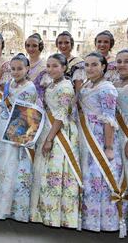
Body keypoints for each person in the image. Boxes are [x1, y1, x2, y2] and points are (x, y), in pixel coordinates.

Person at [30, 53, 81, 229]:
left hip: (59, 133)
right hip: (48, 128)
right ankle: (43, 213)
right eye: (49, 66)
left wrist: (49, 139)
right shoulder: (52, 84)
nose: (51, 69)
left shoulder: (66, 87)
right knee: (44, 173)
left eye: (55, 66)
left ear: (64, 68)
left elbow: (60, 116)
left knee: (55, 173)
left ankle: (57, 216)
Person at [78, 52, 126, 235]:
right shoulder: (87, 84)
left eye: (94, 65)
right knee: (88, 179)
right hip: (85, 137)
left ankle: (105, 222)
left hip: (98, 139)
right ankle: (88, 220)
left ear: (103, 66)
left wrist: (108, 147)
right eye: (87, 65)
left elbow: (109, 120)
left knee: (99, 179)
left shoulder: (107, 88)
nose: (89, 68)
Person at [0, 53, 38, 222]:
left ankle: (14, 209)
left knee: (13, 169)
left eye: (20, 69)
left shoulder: (30, 88)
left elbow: (27, 114)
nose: (16, 72)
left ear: (27, 69)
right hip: (3, 126)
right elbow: (4, 103)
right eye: (13, 69)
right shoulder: (9, 83)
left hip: (18, 132)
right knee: (0, 168)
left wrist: (20, 135)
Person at [114, 49, 128, 193]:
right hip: (115, 135)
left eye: (126, 62)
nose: (122, 65)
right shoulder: (113, 83)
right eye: (119, 62)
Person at [24, 33, 51, 103]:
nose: (30, 48)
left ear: (40, 47)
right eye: (28, 45)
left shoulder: (45, 66)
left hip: (38, 105)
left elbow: (48, 91)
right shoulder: (22, 63)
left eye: (34, 46)